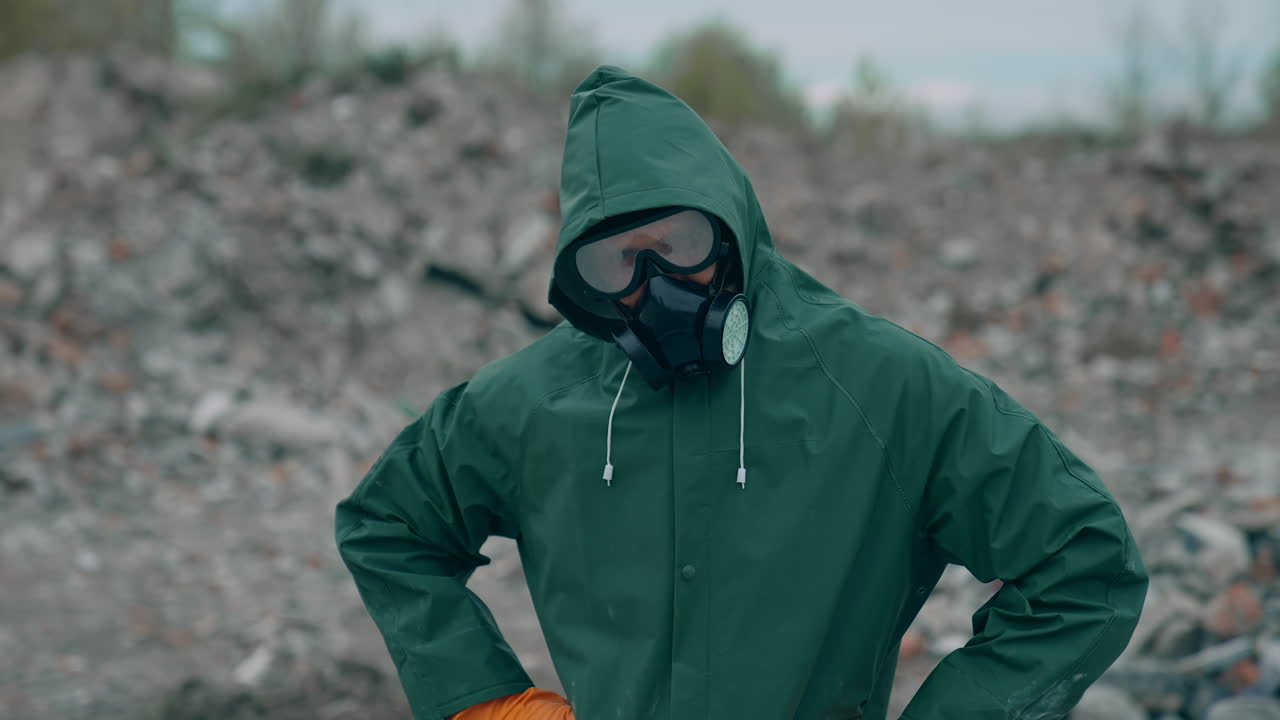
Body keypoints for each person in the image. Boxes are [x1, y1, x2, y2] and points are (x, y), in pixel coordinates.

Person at [334, 65, 1147, 720]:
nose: (654, 282)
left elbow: (1084, 562)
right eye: (618, 260)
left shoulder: (881, 386)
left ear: (730, 225)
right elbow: (387, 523)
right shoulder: (530, 401)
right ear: (580, 273)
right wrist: (487, 700)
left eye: (679, 243)